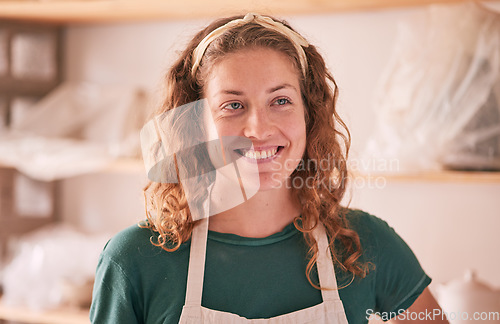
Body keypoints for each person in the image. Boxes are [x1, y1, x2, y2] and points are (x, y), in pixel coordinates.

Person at [90, 13, 449, 323]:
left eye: (281, 100)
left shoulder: (364, 246)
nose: (258, 130)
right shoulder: (133, 262)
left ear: (309, 113)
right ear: (195, 124)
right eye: (232, 105)